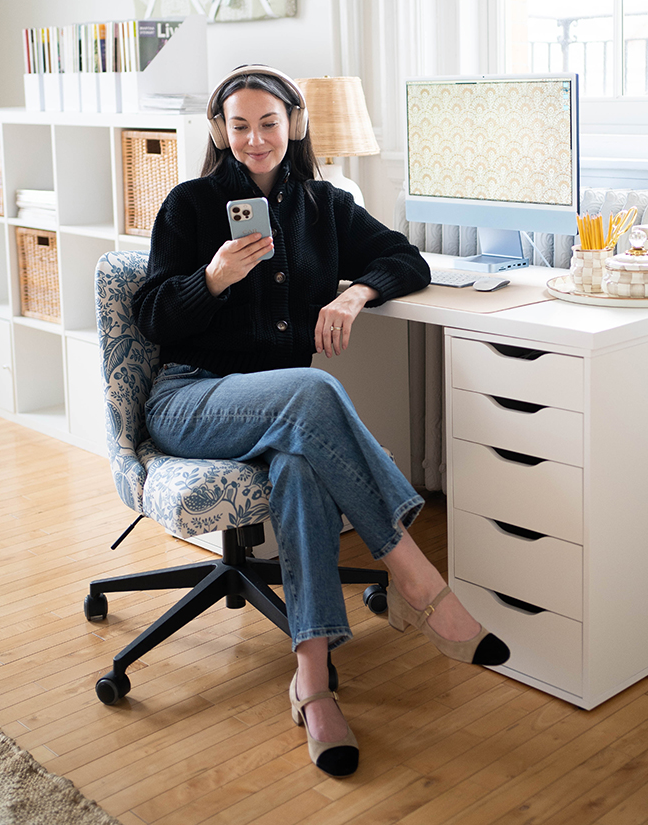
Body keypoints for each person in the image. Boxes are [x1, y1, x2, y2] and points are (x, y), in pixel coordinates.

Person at [133, 64, 509, 778]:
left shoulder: (326, 205)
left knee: (303, 461)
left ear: (293, 125)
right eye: (238, 126)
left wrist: (355, 294)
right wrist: (212, 278)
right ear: (220, 132)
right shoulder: (188, 205)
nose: (254, 139)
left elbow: (407, 258)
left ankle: (311, 681)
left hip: (281, 415)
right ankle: (418, 581)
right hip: (190, 400)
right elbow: (150, 316)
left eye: (268, 123)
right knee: (311, 390)